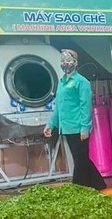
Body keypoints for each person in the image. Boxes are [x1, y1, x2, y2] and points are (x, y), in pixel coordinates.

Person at [43, 49, 107, 191]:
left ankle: (78, 188)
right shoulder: (62, 82)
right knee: (81, 158)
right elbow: (58, 107)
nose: (65, 64)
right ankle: (98, 184)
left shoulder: (81, 82)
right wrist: (51, 124)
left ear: (75, 63)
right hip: (66, 127)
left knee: (80, 159)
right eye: (63, 61)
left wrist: (85, 127)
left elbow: (86, 106)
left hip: (78, 127)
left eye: (68, 61)